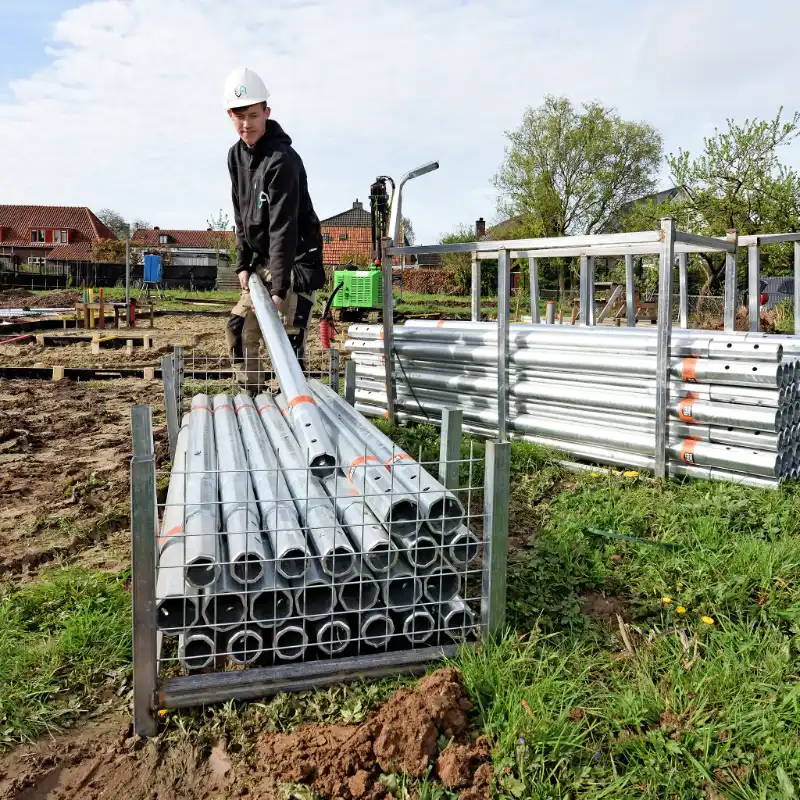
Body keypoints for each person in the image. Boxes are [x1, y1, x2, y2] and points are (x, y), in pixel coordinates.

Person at [223, 66, 325, 387]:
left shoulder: (283, 161)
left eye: (253, 115)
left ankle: (296, 413)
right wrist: (242, 262)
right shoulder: (235, 156)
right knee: (238, 328)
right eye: (239, 116)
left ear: (266, 112)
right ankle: (254, 402)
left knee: (286, 343)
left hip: (295, 263)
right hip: (265, 263)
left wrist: (279, 289)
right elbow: (240, 213)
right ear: (229, 114)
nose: (246, 124)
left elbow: (284, 227)